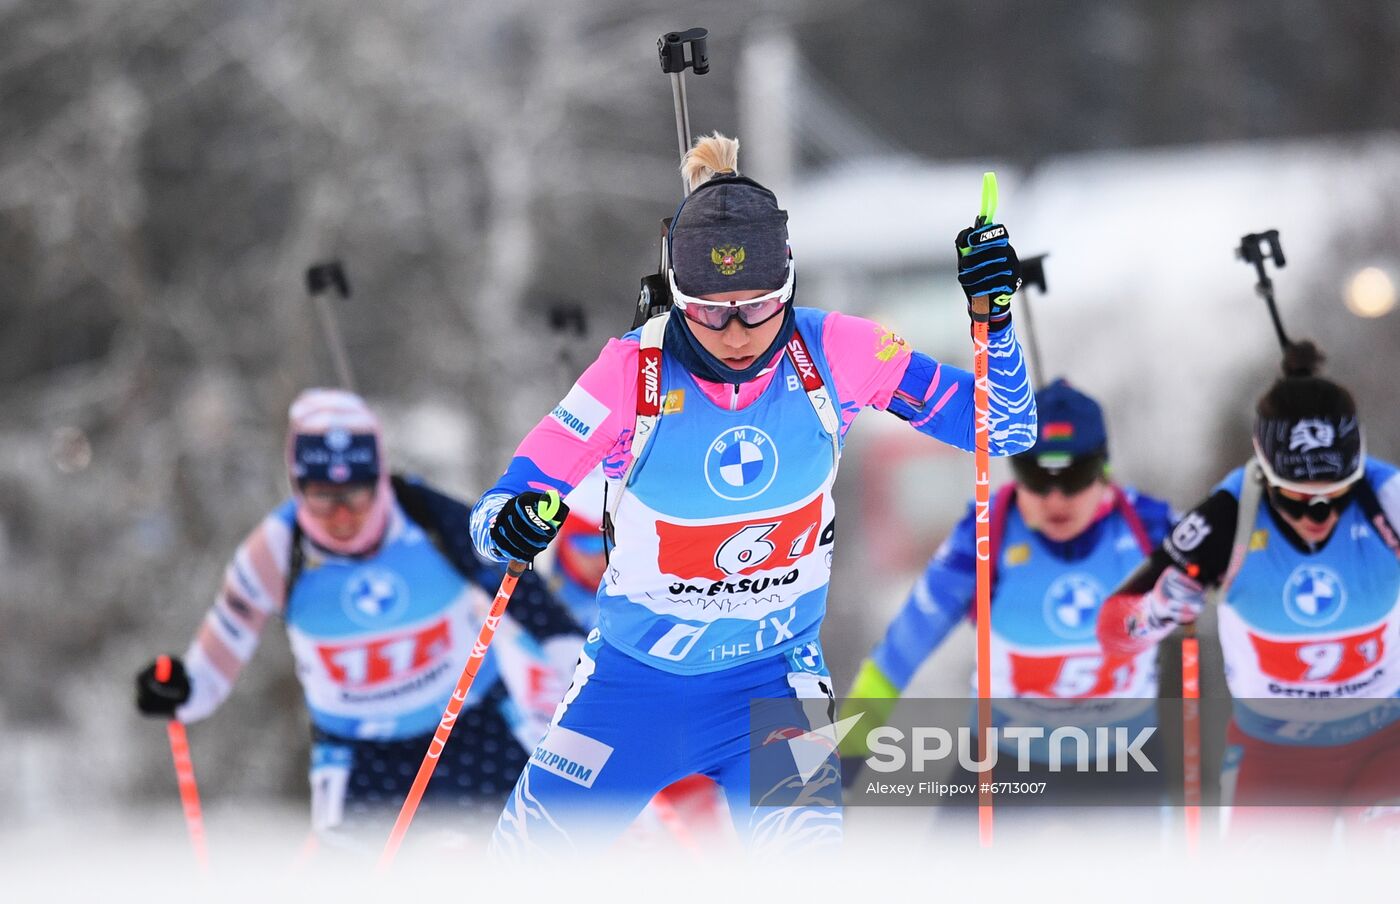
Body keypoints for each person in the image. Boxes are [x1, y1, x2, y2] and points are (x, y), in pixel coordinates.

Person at [467, 133, 1038, 854]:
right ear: (676, 296)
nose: (735, 332)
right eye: (708, 311)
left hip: (773, 692)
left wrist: (992, 319)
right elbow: (497, 512)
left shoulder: (838, 352)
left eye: (758, 306)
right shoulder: (629, 376)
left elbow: (1006, 427)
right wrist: (514, 525)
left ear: (791, 284)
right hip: (631, 692)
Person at [135, 388, 582, 848]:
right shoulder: (274, 550)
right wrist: (179, 688)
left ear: (380, 479)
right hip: (359, 758)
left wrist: (585, 680)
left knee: (521, 865)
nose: (343, 516)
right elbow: (220, 653)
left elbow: (536, 610)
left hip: (471, 731)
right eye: (323, 498)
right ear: (296, 485)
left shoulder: (430, 518)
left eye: (357, 494)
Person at [1098, 342, 1400, 836]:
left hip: (1387, 739)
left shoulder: (1388, 499)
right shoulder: (1228, 516)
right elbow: (1114, 630)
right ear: (1265, 469)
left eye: (1334, 496)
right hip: (1276, 751)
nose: (1315, 516)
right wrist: (1157, 610)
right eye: (1297, 498)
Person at [842, 379, 1174, 804]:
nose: (1056, 498)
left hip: (1125, 762)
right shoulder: (985, 535)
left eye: (1075, 476)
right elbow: (903, 647)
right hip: (1007, 762)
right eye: (1035, 475)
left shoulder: (1153, 528)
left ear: (1104, 469)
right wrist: (847, 753)